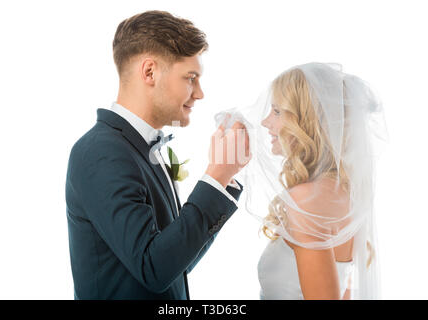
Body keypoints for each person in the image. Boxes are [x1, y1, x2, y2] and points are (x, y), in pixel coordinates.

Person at [65, 10, 250, 300]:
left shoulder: (142, 147)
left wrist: (224, 180)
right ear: (149, 72)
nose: (200, 93)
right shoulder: (101, 151)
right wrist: (215, 176)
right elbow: (154, 268)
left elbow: (175, 263)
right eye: (191, 78)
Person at [218, 62, 386, 299]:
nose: (266, 122)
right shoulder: (344, 195)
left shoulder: (306, 200)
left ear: (306, 121)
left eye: (277, 111)